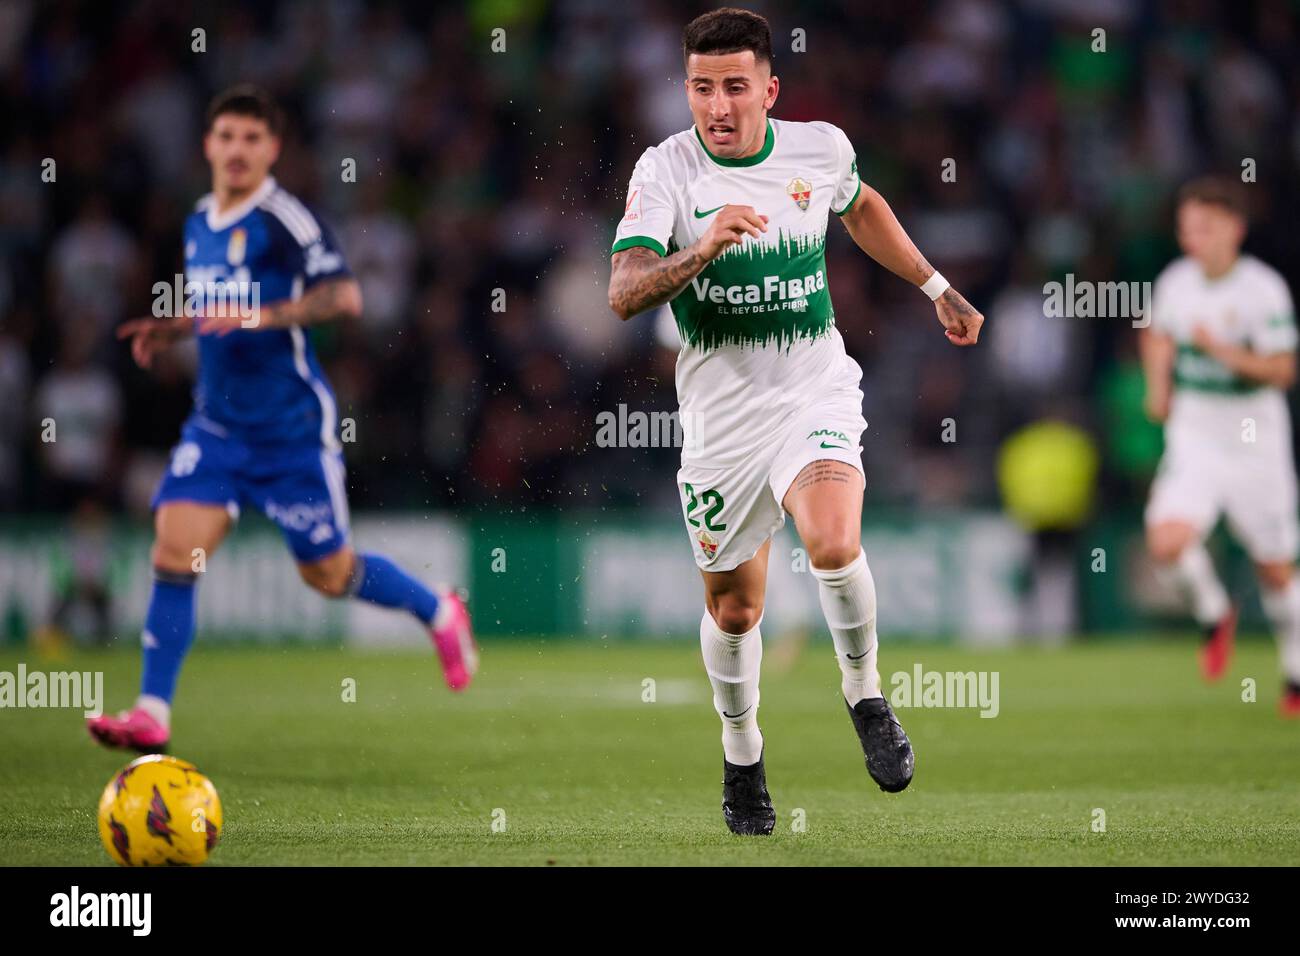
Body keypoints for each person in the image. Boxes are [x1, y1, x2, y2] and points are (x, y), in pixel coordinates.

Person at [607, 9, 984, 834]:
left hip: (813, 388)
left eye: (736, 87)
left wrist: (935, 287)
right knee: (736, 611)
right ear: (686, 91)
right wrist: (701, 250)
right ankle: (742, 754)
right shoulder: (665, 171)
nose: (718, 105)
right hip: (720, 421)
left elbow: (861, 208)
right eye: (703, 88)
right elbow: (624, 290)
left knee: (834, 543)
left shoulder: (820, 149)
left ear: (769, 90)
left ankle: (866, 695)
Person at [89, 85, 478, 753]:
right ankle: (153, 711)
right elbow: (219, 306)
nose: (238, 150)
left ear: (271, 149)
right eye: (226, 137)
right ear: (208, 145)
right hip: (216, 429)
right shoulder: (198, 223)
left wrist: (264, 315)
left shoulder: (285, 218)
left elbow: (344, 296)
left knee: (328, 574)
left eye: (252, 139)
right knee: (174, 549)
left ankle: (438, 607)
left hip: (291, 431)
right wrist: (176, 328)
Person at [1141, 175, 1300, 717]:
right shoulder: (1176, 283)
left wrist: (1226, 352)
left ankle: (1295, 676)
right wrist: (1159, 386)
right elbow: (1157, 333)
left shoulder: (1263, 290)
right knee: (1166, 543)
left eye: (1203, 228)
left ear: (1234, 228)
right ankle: (1215, 613)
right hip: (1197, 432)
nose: (1192, 240)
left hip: (1256, 439)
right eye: (1187, 230)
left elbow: (1282, 369)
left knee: (1275, 568)